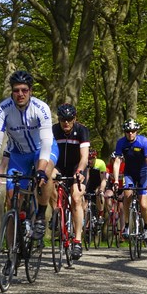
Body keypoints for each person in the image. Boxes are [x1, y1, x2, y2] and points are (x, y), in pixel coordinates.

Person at [0, 70, 58, 242]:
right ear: (12, 91)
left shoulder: (41, 108)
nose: (20, 94)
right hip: (18, 153)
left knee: (45, 174)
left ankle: (40, 215)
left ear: (30, 90)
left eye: (24, 90)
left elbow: (46, 142)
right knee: (12, 203)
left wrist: (40, 169)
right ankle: (11, 253)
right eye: (16, 90)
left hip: (42, 149)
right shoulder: (3, 109)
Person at [51, 103, 90, 260]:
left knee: (76, 198)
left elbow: (85, 157)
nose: (66, 122)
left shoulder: (82, 130)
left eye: (69, 119)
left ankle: (78, 240)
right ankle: (56, 212)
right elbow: (47, 152)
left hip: (77, 167)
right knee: (49, 181)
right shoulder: (53, 130)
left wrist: (80, 172)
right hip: (58, 166)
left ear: (75, 118)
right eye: (62, 119)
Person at [112, 118, 147, 241]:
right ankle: (125, 226)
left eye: (133, 131)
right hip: (129, 173)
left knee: (143, 204)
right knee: (127, 195)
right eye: (128, 131)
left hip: (143, 174)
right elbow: (117, 161)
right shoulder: (121, 143)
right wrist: (115, 180)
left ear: (136, 131)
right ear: (125, 132)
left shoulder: (143, 142)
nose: (130, 133)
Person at [85, 149, 108, 224]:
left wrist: (101, 190)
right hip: (89, 184)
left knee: (99, 193)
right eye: (88, 159)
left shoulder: (100, 163)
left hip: (98, 183)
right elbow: (86, 178)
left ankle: (100, 215)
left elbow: (103, 179)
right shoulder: (85, 163)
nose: (90, 161)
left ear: (95, 158)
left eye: (91, 159)